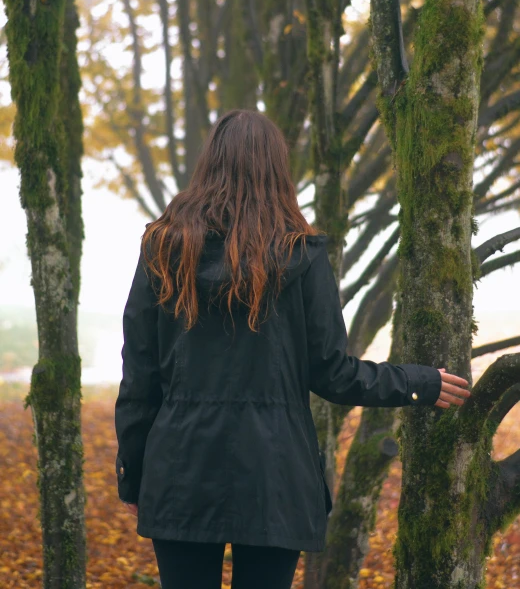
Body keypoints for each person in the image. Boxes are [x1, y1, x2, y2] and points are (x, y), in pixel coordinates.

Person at [114, 109, 471, 589]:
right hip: (275, 476)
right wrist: (418, 383)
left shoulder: (163, 250)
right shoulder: (301, 255)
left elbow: (138, 378)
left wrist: (134, 473)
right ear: (276, 171)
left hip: (180, 469)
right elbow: (333, 374)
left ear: (208, 165)